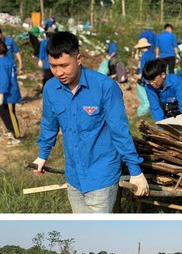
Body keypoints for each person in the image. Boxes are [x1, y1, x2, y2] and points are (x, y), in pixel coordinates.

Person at [33, 32, 148, 213]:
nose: (59, 72)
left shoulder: (104, 87)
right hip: (73, 176)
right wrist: (42, 155)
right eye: (53, 66)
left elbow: (120, 131)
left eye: (64, 65)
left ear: (78, 59)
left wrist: (135, 171)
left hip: (102, 173)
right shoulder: (50, 89)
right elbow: (49, 124)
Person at [0, 39, 23, 146]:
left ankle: (17, 136)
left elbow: (4, 78)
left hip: (9, 92)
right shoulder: (10, 60)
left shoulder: (2, 62)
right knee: (2, 110)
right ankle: (10, 131)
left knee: (11, 113)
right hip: (11, 89)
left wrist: (1, 93)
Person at [134, 38, 155, 117]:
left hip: (144, 80)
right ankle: (148, 115)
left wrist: (139, 77)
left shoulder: (144, 55)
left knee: (144, 101)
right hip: (151, 79)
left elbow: (142, 67)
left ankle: (139, 116)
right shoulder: (152, 54)